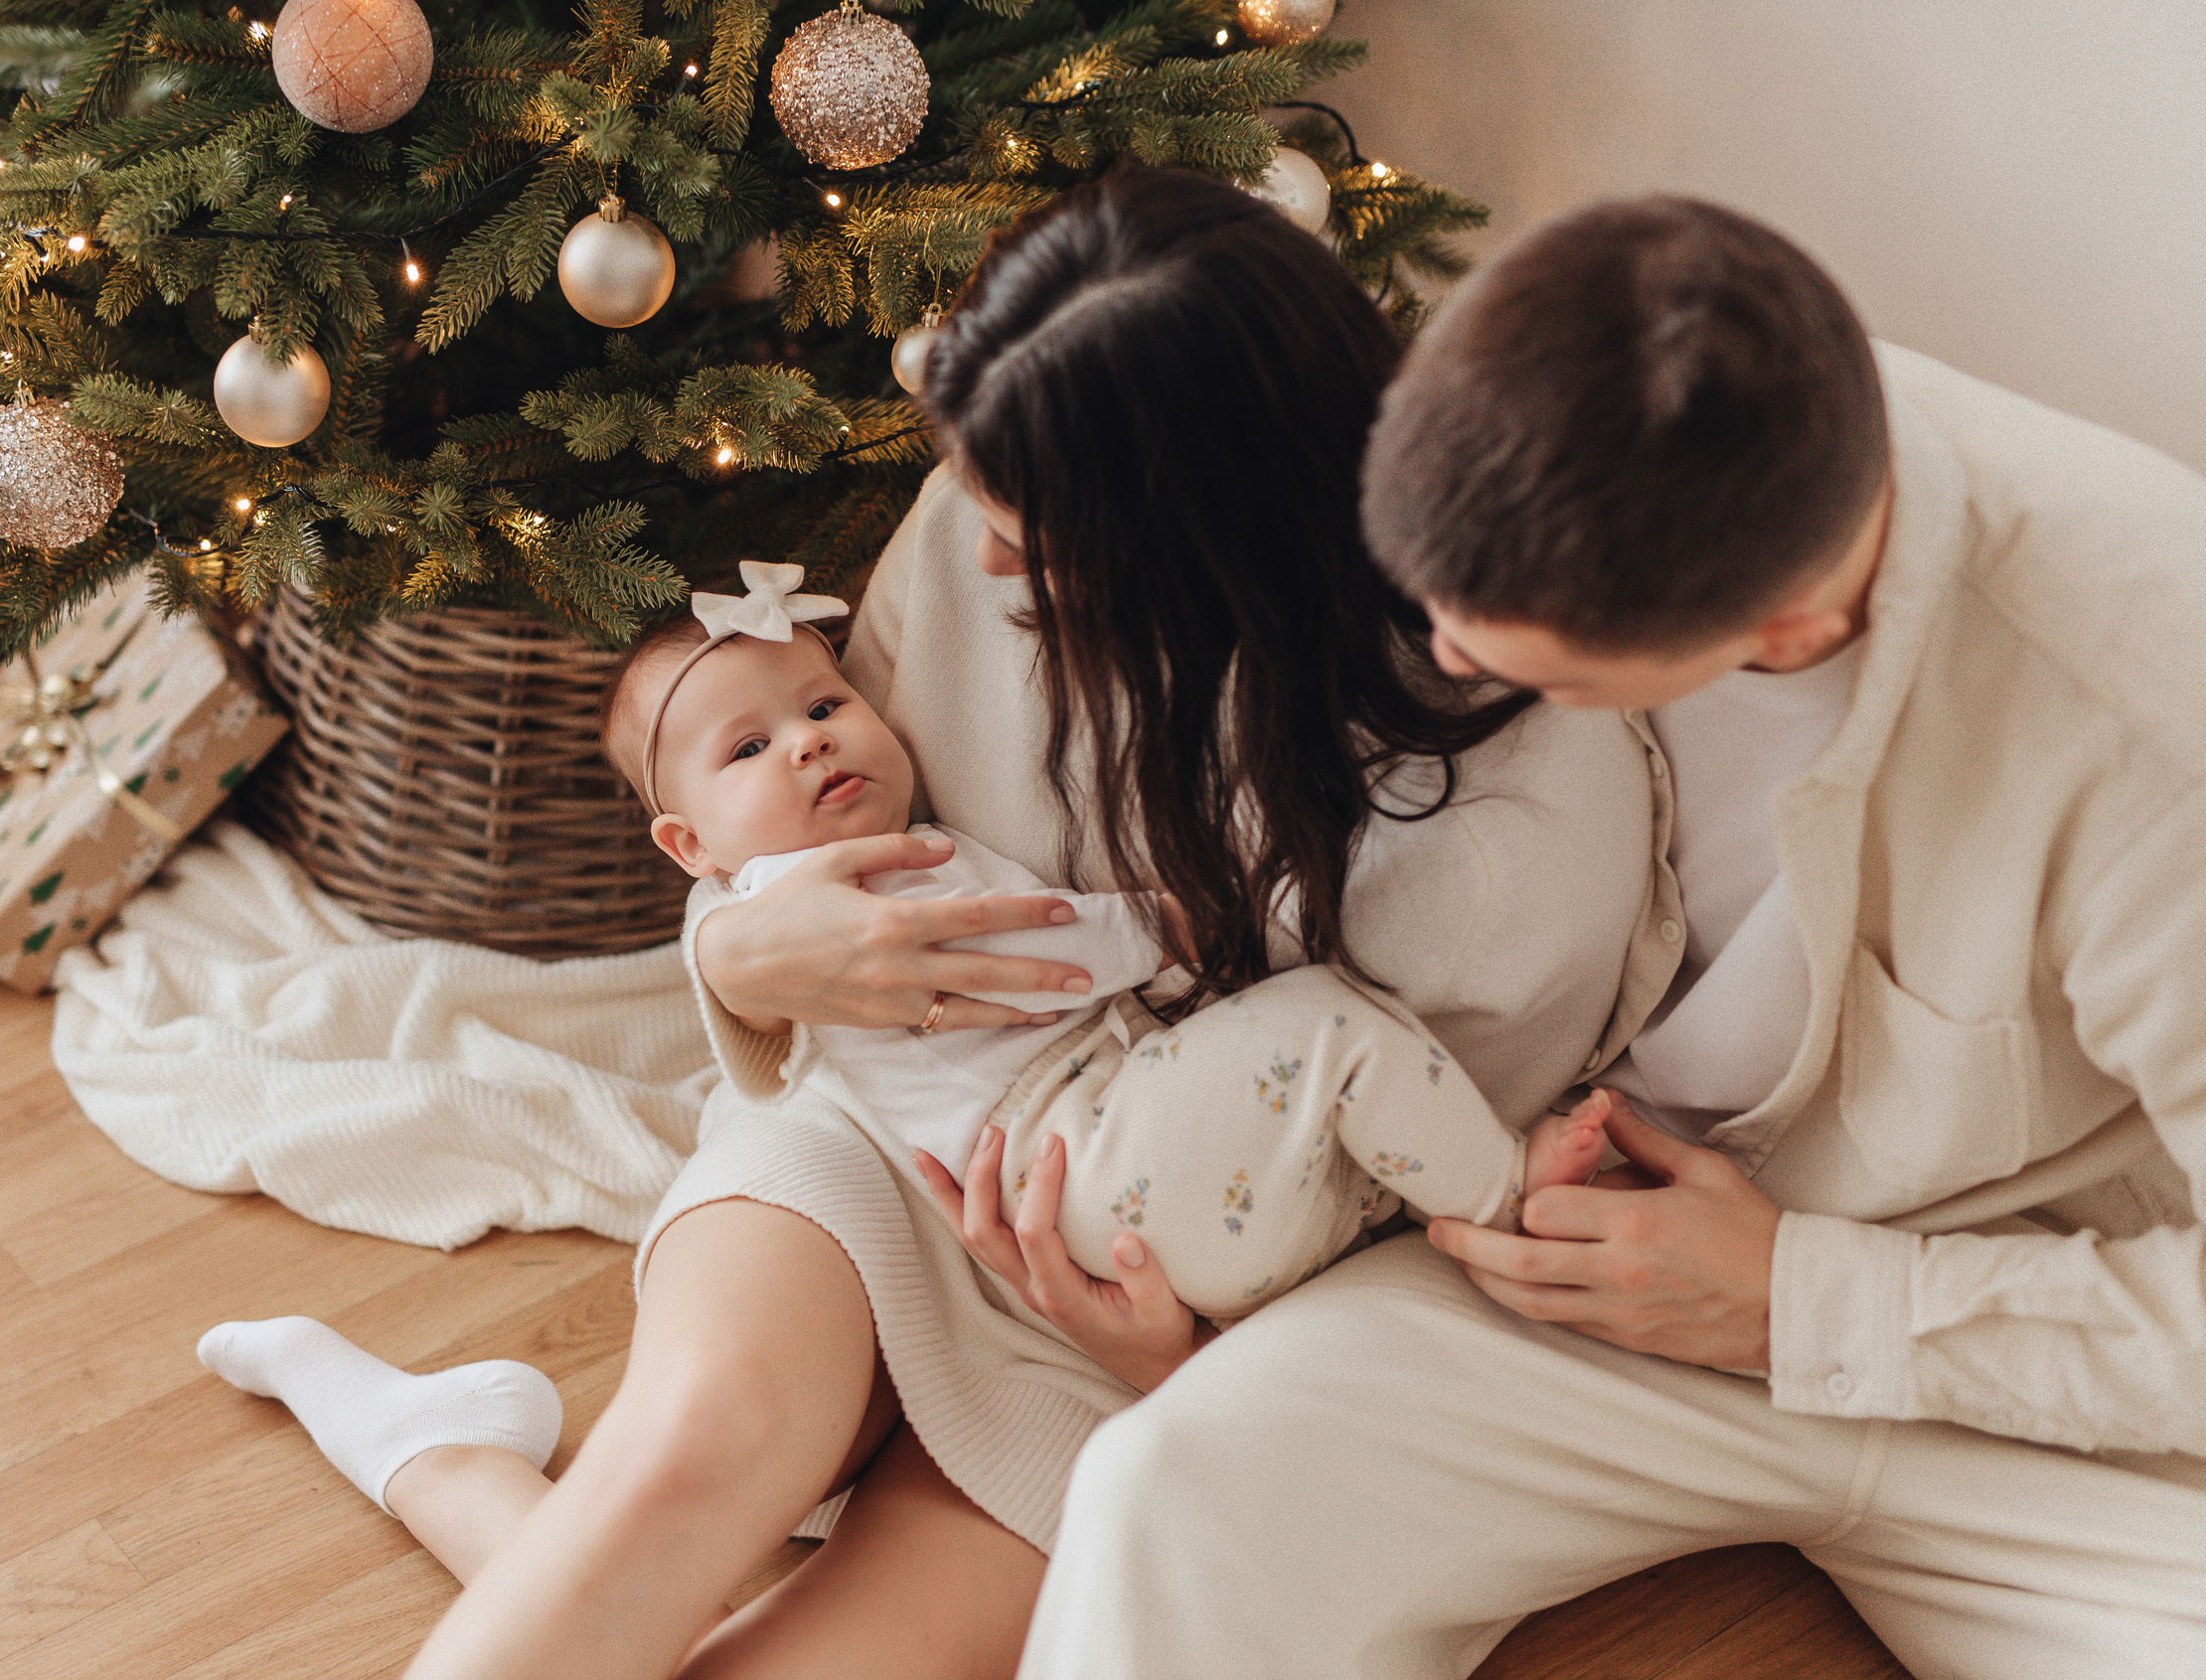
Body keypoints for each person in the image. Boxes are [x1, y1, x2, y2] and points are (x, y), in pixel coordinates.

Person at [195, 168, 1654, 1680]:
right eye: (983, 501)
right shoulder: (1008, 484)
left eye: (1038, 537)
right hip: (876, 1140)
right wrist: (734, 958)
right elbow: (814, 833)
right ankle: (484, 1467)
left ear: (1219, 524)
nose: (988, 560)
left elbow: (1419, 1198)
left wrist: (1177, 1361)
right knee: (675, 1469)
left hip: (1138, 1309)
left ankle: (440, 1455)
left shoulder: (1507, 824)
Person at [1013, 195, 2206, 1678]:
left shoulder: (2149, 722)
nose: (1438, 657)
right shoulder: (1575, 418)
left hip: (2034, 1344)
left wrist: (1801, 1299)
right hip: (1579, 1269)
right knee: (1169, 1495)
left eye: (1507, 653)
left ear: (1772, 631)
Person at [603, 576, 1608, 1315]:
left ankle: (1410, 1208)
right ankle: (1505, 1202)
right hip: (1082, 1152)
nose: (808, 740)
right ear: (690, 845)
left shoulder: (840, 870)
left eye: (824, 706)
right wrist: (1177, 921)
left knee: (1331, 1075)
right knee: (1330, 1024)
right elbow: (1037, 955)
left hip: (1138, 1196)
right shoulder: (855, 889)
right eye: (748, 749)